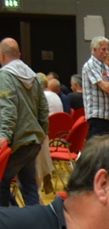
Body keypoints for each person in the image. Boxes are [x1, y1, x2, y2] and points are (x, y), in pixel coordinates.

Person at [0, 37, 48, 207]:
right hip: (33, 142)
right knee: (29, 186)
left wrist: (3, 137)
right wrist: (42, 133)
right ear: (19, 55)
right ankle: (35, 220)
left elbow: (8, 109)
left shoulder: (5, 76)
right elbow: (43, 109)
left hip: (16, 144)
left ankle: (5, 222)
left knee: (2, 183)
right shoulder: (34, 77)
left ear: (1, 55)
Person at [81, 36, 109, 140]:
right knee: (96, 148)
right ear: (94, 50)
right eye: (103, 49)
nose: (107, 52)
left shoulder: (105, 67)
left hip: (107, 115)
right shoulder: (90, 65)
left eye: (107, 49)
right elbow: (108, 88)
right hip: (96, 116)